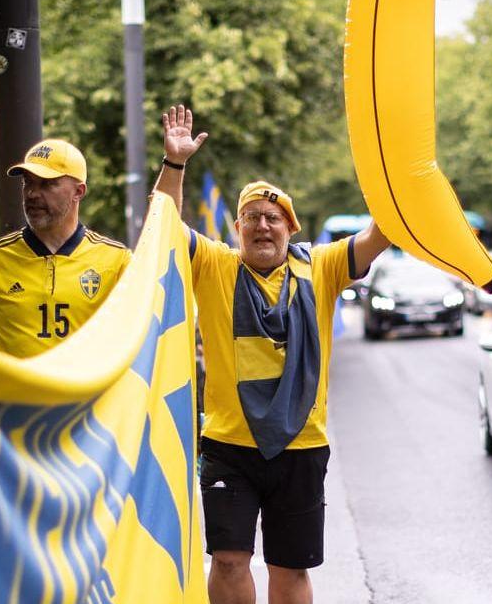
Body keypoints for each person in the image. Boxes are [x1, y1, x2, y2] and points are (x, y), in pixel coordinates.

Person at [152, 106, 392, 604]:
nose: (262, 226)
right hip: (228, 445)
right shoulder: (215, 265)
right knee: (229, 560)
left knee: (289, 569)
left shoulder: (323, 267)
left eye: (273, 218)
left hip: (302, 447)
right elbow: (164, 226)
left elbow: (377, 236)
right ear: (238, 227)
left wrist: (394, 184)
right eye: (252, 218)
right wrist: (174, 165)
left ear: (290, 228)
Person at [0, 138, 131, 357]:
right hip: (14, 393)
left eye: (47, 184)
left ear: (79, 191)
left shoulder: (116, 260)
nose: (32, 194)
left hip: (89, 392)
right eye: (28, 182)